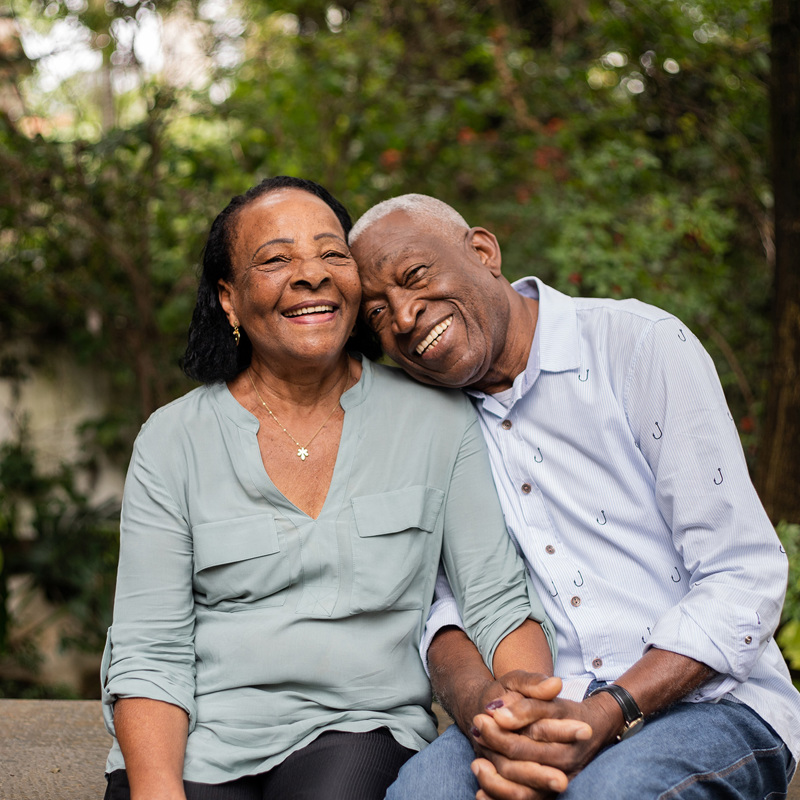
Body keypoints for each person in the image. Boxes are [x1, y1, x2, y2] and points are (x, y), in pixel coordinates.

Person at [100, 177, 562, 800]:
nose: (310, 274)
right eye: (277, 259)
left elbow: (495, 601)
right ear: (230, 299)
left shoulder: (435, 420)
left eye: (331, 253)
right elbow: (149, 651)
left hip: (359, 726)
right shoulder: (172, 440)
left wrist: (525, 720)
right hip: (200, 737)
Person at [349, 193, 800, 800]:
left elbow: (744, 575)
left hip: (713, 701)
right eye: (377, 313)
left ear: (483, 252)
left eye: (415, 276)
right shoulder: (430, 425)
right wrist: (492, 714)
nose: (403, 317)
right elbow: (442, 610)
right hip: (540, 707)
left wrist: (607, 712)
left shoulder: (637, 345)